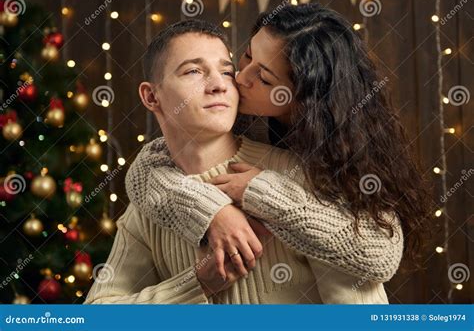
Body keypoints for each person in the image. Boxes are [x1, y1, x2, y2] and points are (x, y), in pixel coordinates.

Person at [85, 19, 397, 304]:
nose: (222, 83)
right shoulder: (149, 200)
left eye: (225, 69)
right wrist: (197, 284)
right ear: (152, 97)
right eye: (193, 71)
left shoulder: (305, 179)